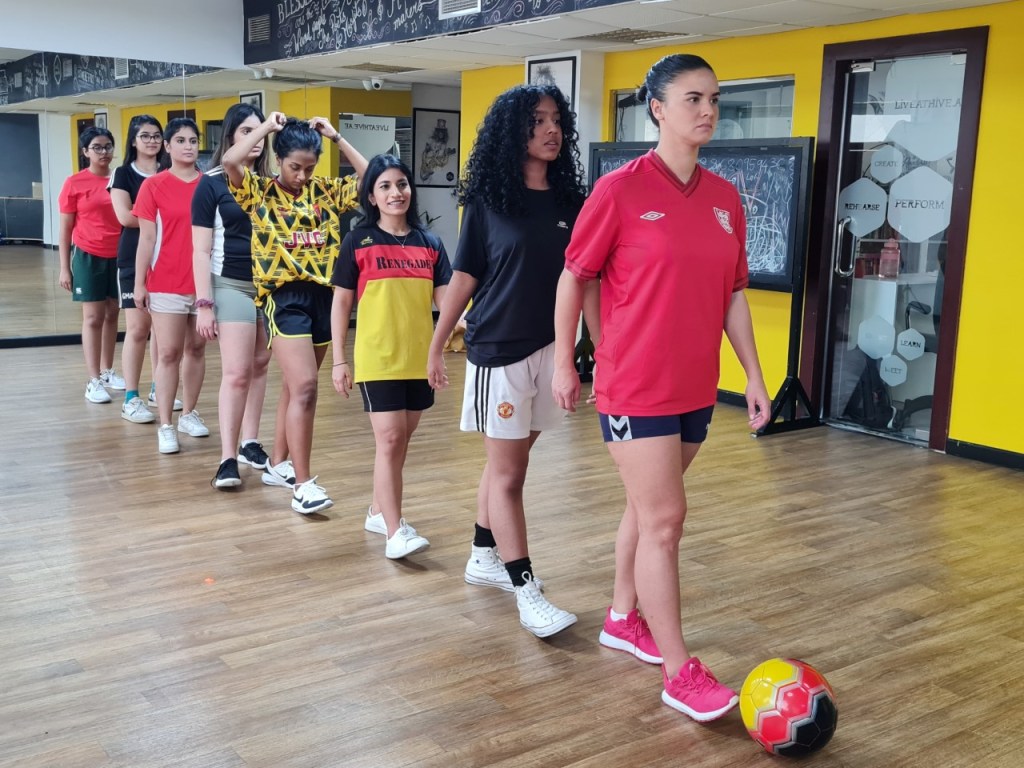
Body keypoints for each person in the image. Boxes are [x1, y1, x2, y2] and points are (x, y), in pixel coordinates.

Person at [551, 54, 772, 722]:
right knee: (666, 521)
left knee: (647, 511)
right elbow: (575, 277)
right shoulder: (619, 190)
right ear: (657, 108)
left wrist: (754, 375)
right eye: (692, 98)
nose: (708, 110)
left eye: (715, 99)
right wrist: (566, 361)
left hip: (695, 385)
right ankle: (680, 672)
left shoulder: (725, 199)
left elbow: (733, 294)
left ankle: (623, 617)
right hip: (635, 383)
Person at [427, 84, 587, 638]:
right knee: (509, 474)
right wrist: (436, 343)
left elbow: (584, 280)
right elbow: (464, 277)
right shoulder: (488, 202)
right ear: (511, 132)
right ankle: (527, 591)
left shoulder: (572, 203)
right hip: (498, 349)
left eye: (556, 120)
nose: (550, 130)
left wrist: (590, 351)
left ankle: (482, 554)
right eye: (536, 121)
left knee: (506, 466)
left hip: (551, 349)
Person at [222, 112, 367, 515]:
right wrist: (267, 128)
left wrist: (336, 137)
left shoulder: (326, 191)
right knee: (305, 386)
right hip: (283, 297)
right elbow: (231, 161)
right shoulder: (259, 192)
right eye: (294, 167)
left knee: (295, 386)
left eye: (309, 168)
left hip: (324, 296)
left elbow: (371, 177)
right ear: (278, 160)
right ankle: (303, 485)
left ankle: (277, 464)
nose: (302, 176)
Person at [330, 154, 451, 559]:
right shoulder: (358, 241)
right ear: (371, 196)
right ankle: (395, 532)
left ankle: (377, 511)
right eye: (384, 186)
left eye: (401, 184)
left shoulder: (430, 243)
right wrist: (339, 360)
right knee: (391, 439)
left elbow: (446, 300)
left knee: (399, 443)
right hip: (377, 358)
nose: (395, 193)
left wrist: (463, 329)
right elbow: (341, 302)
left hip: (419, 359)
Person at [192, 103, 275, 489]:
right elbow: (200, 251)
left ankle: (249, 443)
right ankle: (227, 458)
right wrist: (204, 304)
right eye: (246, 131)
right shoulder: (211, 183)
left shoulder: (272, 183)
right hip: (230, 284)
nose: (255, 139)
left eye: (260, 132)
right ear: (230, 136)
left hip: (269, 286)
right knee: (238, 372)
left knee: (261, 365)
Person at [134, 117, 208, 454]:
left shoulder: (209, 185)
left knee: (197, 349)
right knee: (168, 353)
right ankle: (166, 424)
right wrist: (140, 284)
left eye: (193, 141)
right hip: (165, 282)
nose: (188, 146)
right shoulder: (154, 186)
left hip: (203, 283)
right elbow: (147, 239)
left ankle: (189, 413)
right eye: (180, 140)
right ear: (167, 146)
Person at [109, 114, 182, 423]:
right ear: (134, 140)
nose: (151, 141)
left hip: (166, 259)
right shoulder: (123, 173)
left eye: (156, 136)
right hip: (132, 258)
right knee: (138, 329)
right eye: (145, 135)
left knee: (162, 333)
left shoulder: (171, 171)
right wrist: (162, 217)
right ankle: (130, 398)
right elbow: (125, 217)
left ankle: (157, 389)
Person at [58, 126, 124, 404]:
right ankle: (93, 379)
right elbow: (65, 229)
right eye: (97, 147)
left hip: (118, 256)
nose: (104, 152)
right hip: (88, 255)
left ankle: (107, 371)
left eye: (108, 146)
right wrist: (65, 267)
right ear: (85, 151)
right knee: (93, 318)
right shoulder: (74, 183)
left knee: (112, 315)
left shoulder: (120, 179)